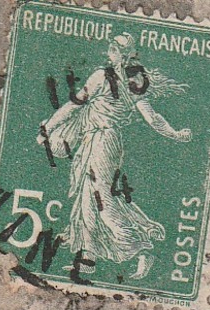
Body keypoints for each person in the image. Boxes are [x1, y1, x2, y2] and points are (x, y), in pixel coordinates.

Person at [37, 33, 191, 280]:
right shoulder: (135, 83)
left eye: (112, 49)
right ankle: (87, 258)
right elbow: (153, 118)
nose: (108, 53)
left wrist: (49, 127)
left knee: (101, 199)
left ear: (120, 53)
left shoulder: (102, 77)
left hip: (100, 141)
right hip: (104, 141)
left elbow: (73, 105)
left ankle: (138, 248)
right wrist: (175, 134)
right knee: (88, 197)